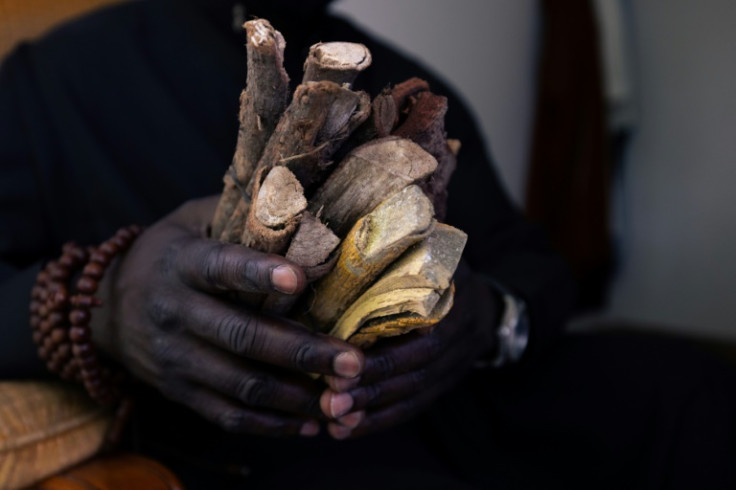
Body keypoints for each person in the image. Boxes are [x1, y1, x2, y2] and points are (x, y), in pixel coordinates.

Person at [1, 1, 734, 488]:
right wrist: (97, 302)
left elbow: (533, 269)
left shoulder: (409, 86)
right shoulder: (49, 86)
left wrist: (485, 320)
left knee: (681, 389)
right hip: (253, 446)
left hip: (463, 410)